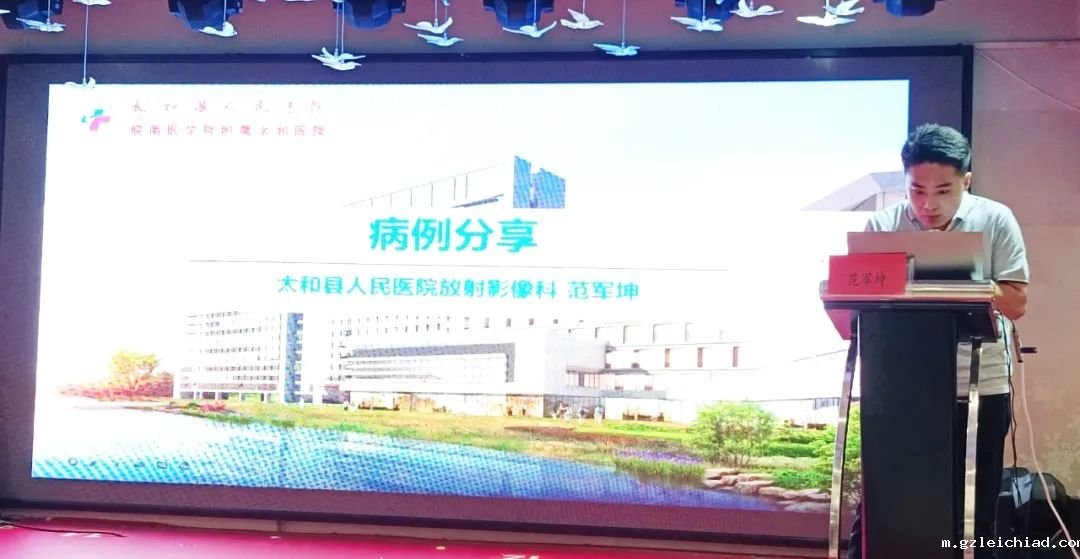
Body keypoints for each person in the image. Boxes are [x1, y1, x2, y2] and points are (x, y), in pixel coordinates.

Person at [846, 123, 1029, 559]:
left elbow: (1017, 302)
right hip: (901, 387)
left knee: (973, 510)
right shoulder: (882, 225)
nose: (928, 204)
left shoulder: (995, 219)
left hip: (979, 385)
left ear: (966, 180)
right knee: (886, 505)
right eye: (917, 190)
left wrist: (961, 280)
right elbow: (859, 306)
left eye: (944, 191)